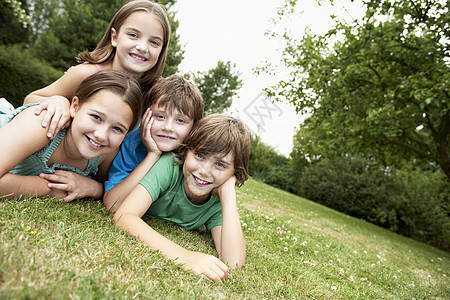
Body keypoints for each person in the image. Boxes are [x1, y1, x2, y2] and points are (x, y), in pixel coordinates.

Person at [113, 114, 252, 282]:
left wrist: (228, 192)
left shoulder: (218, 196)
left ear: (234, 172)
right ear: (187, 151)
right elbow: (124, 216)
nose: (204, 170)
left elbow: (234, 262)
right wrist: (183, 256)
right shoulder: (169, 166)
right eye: (200, 155)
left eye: (220, 165)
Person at [24, 0, 170, 140]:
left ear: (162, 50)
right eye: (133, 35)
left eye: (154, 42)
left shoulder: (154, 94)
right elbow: (30, 100)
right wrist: (59, 101)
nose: (143, 47)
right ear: (114, 37)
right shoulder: (87, 74)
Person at [0, 70, 142, 202]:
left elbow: (114, 194)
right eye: (96, 117)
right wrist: (48, 188)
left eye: (117, 128)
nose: (101, 135)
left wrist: (94, 188)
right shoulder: (44, 124)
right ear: (75, 106)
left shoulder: (107, 154)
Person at [103, 74, 204, 212]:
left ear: (194, 127)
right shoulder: (132, 145)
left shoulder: (195, 156)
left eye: (180, 120)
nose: (168, 127)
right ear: (144, 115)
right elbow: (113, 204)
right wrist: (153, 154)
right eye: (160, 116)